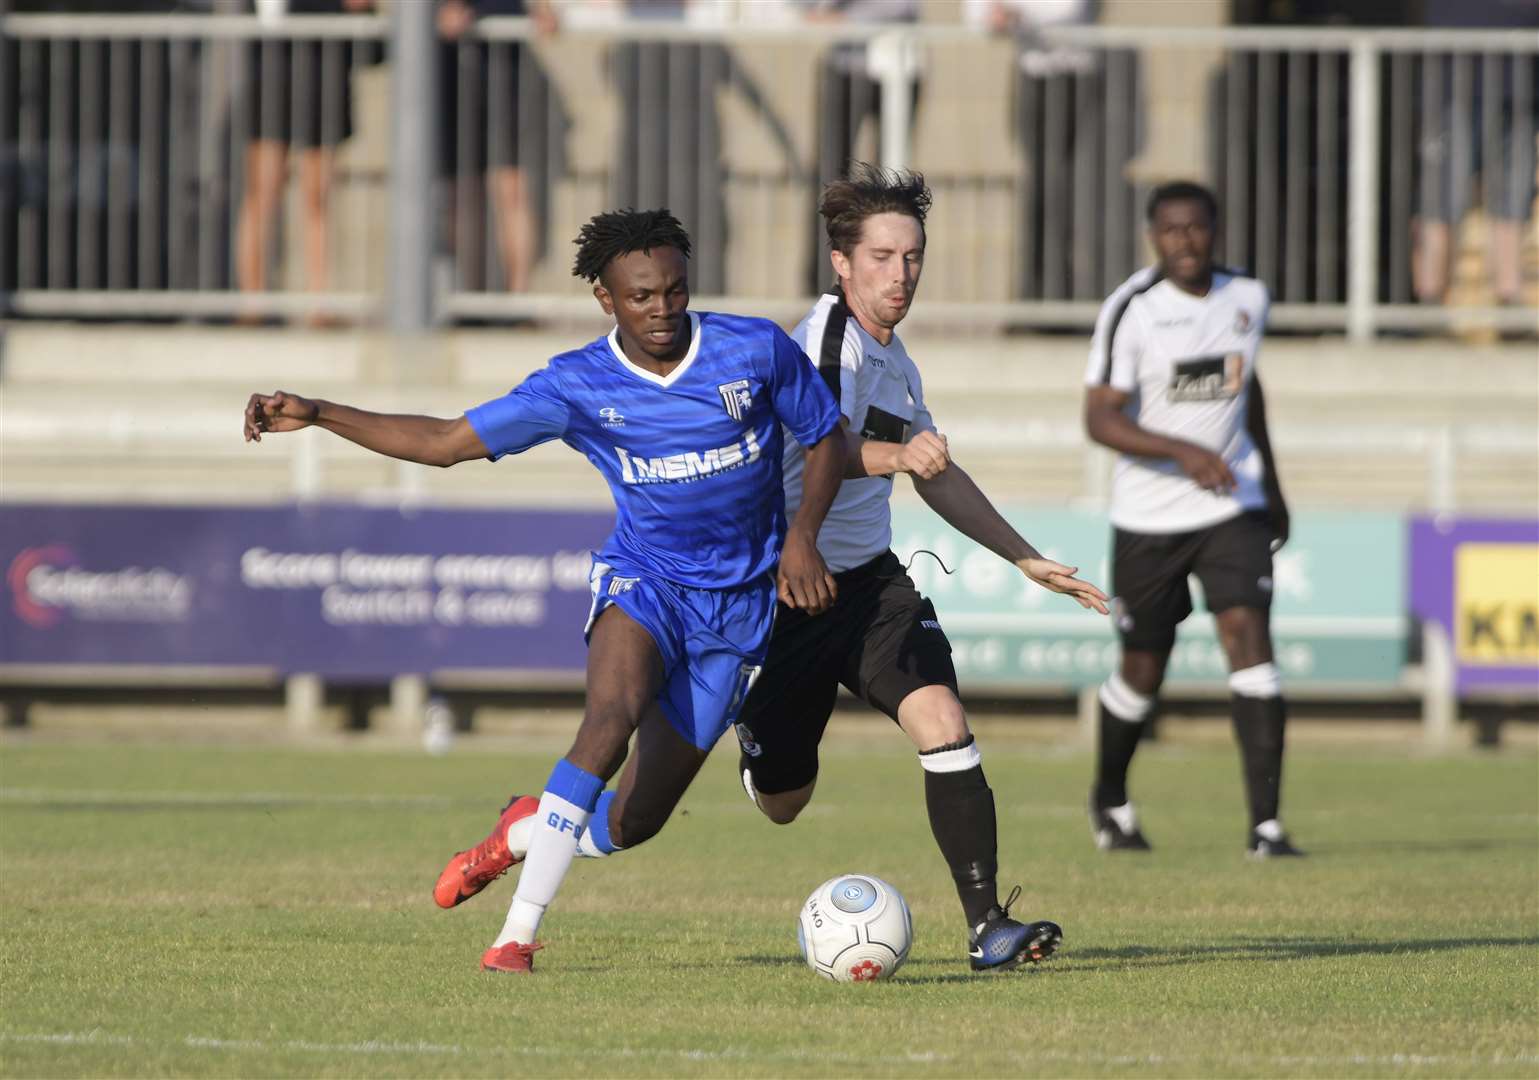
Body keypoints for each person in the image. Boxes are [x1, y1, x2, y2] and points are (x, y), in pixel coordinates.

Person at [243, 208, 847, 972]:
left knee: (634, 821)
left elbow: (825, 436)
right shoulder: (576, 384)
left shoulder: (755, 349)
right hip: (646, 583)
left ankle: (521, 833)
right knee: (609, 719)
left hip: (740, 610)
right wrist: (321, 411)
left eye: (674, 291)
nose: (661, 309)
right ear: (605, 299)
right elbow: (444, 443)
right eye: (641, 297)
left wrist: (801, 539)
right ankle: (514, 939)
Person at [736, 163, 1111, 972]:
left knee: (942, 721)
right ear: (840, 262)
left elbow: (934, 471)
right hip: (790, 593)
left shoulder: (894, 357)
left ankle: (987, 928)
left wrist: (1025, 558)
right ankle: (757, 747)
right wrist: (899, 454)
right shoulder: (824, 345)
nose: (899, 274)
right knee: (782, 802)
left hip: (870, 586)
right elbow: (816, 453)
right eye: (881, 256)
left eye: (912, 257)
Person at [1083, 180, 1300, 860]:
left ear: (1215, 230)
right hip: (1148, 518)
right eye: (1170, 230)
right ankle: (1110, 799)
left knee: (1247, 636)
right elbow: (1099, 418)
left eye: (1196, 228)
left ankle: (1265, 828)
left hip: (1231, 505)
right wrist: (1181, 450)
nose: (1184, 241)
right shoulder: (1132, 311)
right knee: (1143, 667)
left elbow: (1246, 384)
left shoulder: (1247, 298)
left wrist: (1273, 484)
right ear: (1154, 236)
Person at [234, 0, 375, 321]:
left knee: (318, 199)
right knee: (261, 195)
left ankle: (319, 303)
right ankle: (251, 303)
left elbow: (366, 29)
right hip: (273, 75)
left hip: (323, 78)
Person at [437, 0, 559, 296]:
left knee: (512, 190)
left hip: (507, 74)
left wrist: (544, 11)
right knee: (461, 195)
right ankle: (468, 295)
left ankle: (518, 298)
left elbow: (543, 15)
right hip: (455, 75)